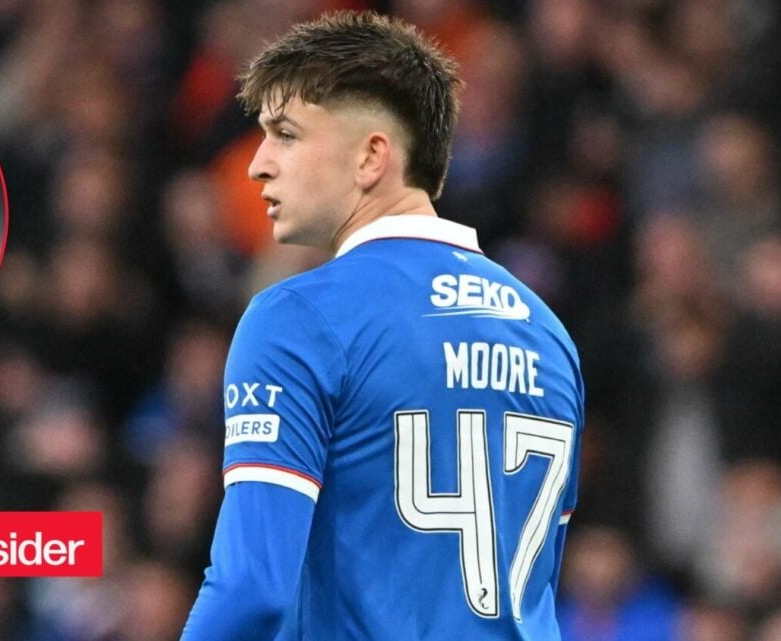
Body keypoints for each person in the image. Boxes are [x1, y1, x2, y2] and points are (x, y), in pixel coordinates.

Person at [182, 11, 584, 640]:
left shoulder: (300, 318)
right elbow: (537, 590)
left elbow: (251, 588)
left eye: (286, 134)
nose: (258, 164)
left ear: (372, 157)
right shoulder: (548, 332)